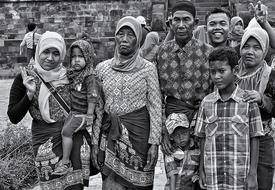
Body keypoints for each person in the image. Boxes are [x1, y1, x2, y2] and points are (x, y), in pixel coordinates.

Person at [8, 31, 96, 189]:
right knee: (51, 185)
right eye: (46, 52)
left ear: (62, 54)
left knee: (74, 186)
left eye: (56, 53)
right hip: (45, 141)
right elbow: (13, 117)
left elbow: (90, 92)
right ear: (38, 50)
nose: (50, 58)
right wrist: (29, 95)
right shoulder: (25, 77)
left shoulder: (71, 75)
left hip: (72, 138)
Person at [95, 16, 162, 190]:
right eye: (121, 34)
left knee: (138, 185)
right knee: (110, 185)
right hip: (110, 136)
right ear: (115, 37)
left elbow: (155, 106)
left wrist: (154, 143)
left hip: (139, 138)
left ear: (139, 39)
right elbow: (98, 110)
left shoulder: (148, 68)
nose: (124, 39)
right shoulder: (102, 68)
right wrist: (95, 142)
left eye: (130, 35)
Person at [195, 47, 264, 190]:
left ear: (235, 70)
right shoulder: (206, 102)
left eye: (221, 71)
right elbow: (202, 138)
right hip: (213, 173)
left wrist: (252, 173)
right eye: (213, 72)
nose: (216, 76)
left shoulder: (248, 101)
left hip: (239, 175)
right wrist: (201, 169)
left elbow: (255, 137)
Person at [157, 0, 213, 156]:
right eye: (176, 20)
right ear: (170, 23)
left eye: (186, 20)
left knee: (199, 174)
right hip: (171, 123)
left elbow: (214, 92)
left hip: (201, 120)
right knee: (174, 174)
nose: (181, 25)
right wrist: (163, 130)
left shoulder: (208, 52)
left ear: (195, 23)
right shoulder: (161, 53)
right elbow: (156, 96)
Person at [52, 39, 102, 175]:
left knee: (66, 132)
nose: (76, 60)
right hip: (75, 113)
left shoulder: (90, 76)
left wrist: (90, 114)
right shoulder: (75, 74)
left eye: (80, 56)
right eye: (73, 57)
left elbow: (93, 96)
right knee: (64, 129)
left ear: (88, 57)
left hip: (83, 114)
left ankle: (65, 162)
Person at [236, 22, 275, 190]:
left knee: (261, 180)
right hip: (235, 137)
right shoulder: (232, 71)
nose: (250, 52)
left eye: (257, 48)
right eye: (246, 47)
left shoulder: (270, 75)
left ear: (265, 50)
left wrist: (262, 99)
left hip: (263, 139)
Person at [164, 113, 200, 190]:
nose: (181, 138)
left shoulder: (197, 148)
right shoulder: (171, 151)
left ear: (190, 131)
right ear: (171, 137)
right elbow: (172, 174)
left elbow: (200, 168)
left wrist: (197, 175)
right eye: (177, 135)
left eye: (184, 133)